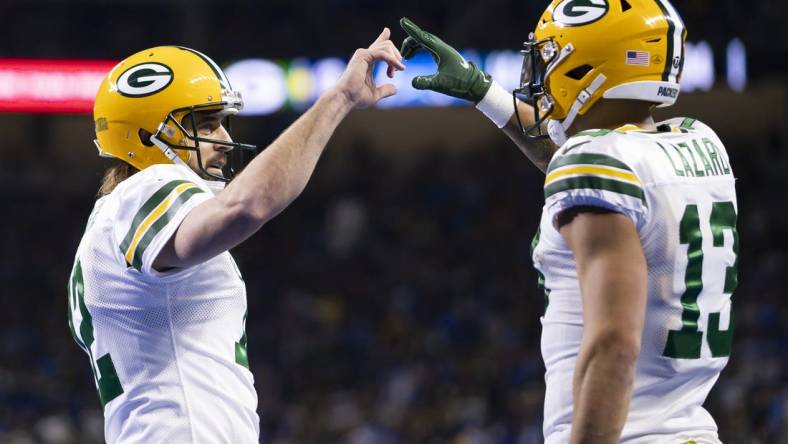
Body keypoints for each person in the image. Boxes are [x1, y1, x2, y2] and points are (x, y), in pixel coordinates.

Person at [399, 0, 737, 441]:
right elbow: (588, 168)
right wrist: (485, 92)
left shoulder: (597, 165)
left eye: (549, 57)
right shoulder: (698, 143)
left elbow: (614, 346)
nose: (538, 75)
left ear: (589, 67)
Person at [67, 31, 404, 442]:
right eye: (206, 123)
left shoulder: (112, 220)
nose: (224, 139)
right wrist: (340, 98)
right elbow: (247, 206)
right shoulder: (145, 188)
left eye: (223, 122)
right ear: (142, 135)